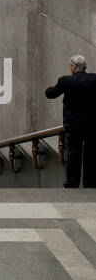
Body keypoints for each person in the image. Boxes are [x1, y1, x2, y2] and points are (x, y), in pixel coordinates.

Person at [45, 54, 96, 188]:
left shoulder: (65, 81)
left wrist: (49, 88)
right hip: (91, 124)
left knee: (73, 152)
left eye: (71, 66)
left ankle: (72, 182)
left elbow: (50, 94)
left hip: (73, 124)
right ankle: (90, 182)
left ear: (73, 67)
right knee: (91, 153)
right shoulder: (94, 79)